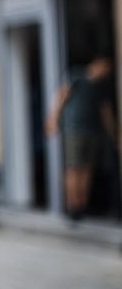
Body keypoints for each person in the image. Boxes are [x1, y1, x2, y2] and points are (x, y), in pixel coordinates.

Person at [46, 52, 117, 221]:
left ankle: (81, 206)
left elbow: (105, 111)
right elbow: (60, 96)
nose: (106, 72)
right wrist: (53, 119)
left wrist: (114, 133)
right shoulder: (76, 75)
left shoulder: (100, 87)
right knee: (73, 168)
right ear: (98, 62)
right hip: (73, 129)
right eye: (105, 68)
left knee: (87, 169)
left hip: (92, 131)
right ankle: (71, 206)